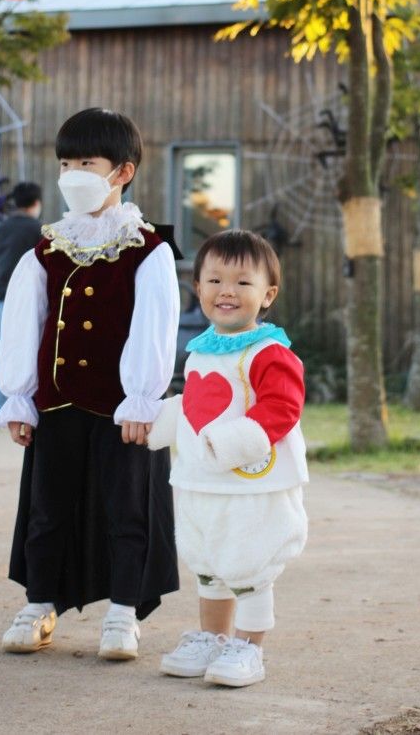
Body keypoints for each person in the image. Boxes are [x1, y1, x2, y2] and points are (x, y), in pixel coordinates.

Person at [0, 108, 180, 660]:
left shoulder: (149, 249)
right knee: (47, 507)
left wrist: (142, 397)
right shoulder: (45, 250)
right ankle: (39, 604)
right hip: (55, 404)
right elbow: (24, 325)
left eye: (86, 162)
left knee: (128, 508)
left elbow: (154, 328)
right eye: (65, 162)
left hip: (122, 407)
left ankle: (123, 612)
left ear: (121, 171)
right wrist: (20, 399)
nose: (73, 172)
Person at [148, 229, 308, 689]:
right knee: (209, 562)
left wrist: (232, 442)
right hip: (203, 483)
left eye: (242, 282)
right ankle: (211, 638)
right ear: (197, 288)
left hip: (251, 484)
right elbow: (198, 405)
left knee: (248, 564)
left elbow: (281, 408)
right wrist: (159, 421)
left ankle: (249, 648)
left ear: (267, 294)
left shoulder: (268, 350)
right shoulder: (201, 351)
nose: (227, 292)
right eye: (214, 280)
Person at [0, 182, 43, 417]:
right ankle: (28, 407)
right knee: (35, 349)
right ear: (36, 203)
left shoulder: (0, 229)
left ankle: (1, 408)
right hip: (33, 300)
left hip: (3, 297)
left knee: (5, 350)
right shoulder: (39, 230)